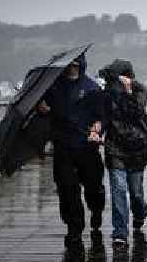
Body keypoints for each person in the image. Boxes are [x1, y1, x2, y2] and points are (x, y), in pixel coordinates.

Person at [38, 51, 105, 246]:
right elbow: (45, 112)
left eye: (76, 65)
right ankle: (74, 228)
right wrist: (42, 110)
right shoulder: (53, 89)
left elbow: (101, 116)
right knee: (67, 189)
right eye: (69, 65)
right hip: (63, 146)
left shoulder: (92, 88)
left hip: (87, 147)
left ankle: (96, 209)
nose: (72, 68)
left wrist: (97, 127)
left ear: (81, 65)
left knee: (93, 188)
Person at [91, 59, 147, 248]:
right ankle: (120, 232)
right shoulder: (107, 94)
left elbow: (135, 113)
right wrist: (97, 130)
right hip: (115, 148)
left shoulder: (139, 90)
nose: (112, 83)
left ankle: (140, 213)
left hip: (137, 148)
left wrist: (127, 92)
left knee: (135, 194)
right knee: (118, 189)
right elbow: (103, 117)